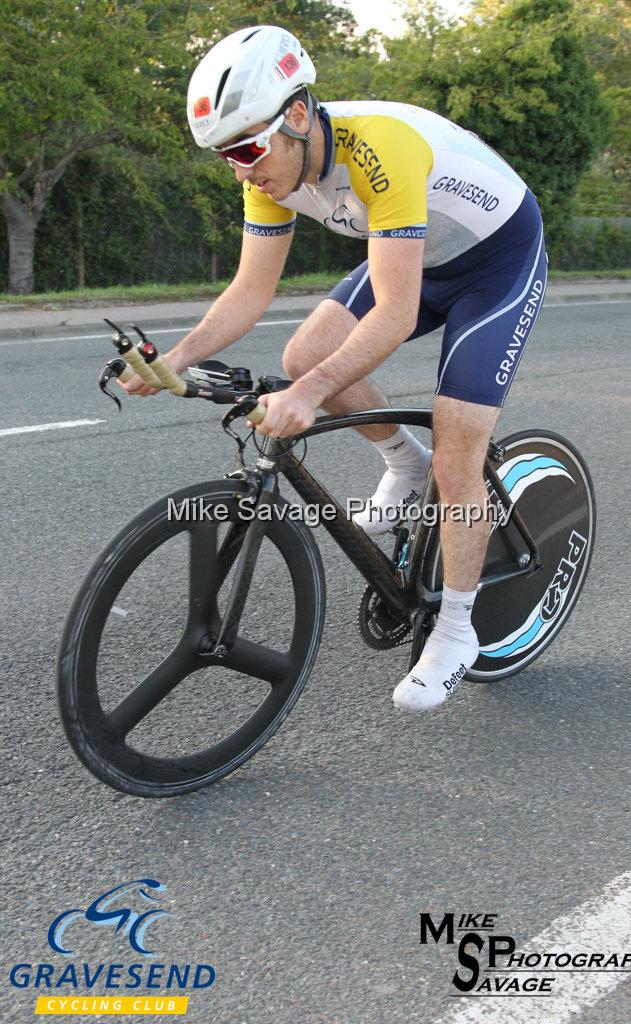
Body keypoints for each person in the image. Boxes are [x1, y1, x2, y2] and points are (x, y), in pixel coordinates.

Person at [122, 25, 548, 712]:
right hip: (419, 255)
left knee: (457, 441)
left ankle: (458, 629)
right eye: (224, 157)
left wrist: (312, 395)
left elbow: (396, 314)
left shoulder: (378, 149)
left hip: (495, 264)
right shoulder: (270, 166)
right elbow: (249, 292)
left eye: (245, 149)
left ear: (295, 114)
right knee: (302, 354)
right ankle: (402, 465)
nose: (240, 169)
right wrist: (174, 359)